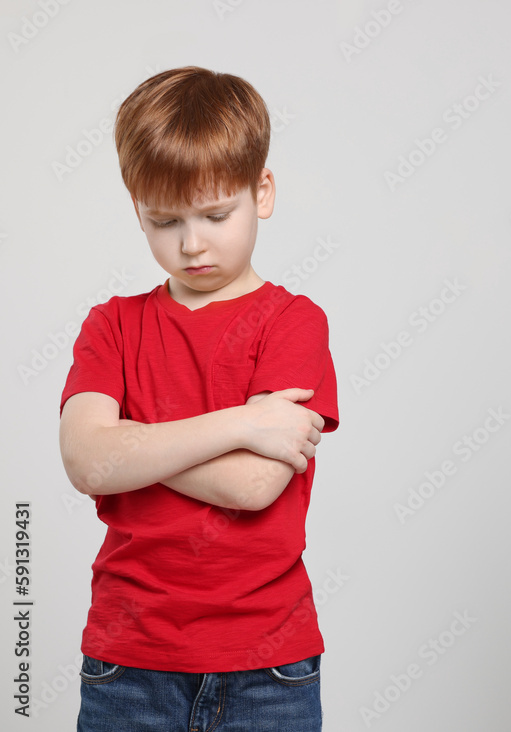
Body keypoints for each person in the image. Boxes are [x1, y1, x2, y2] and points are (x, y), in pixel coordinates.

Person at [59, 66, 338, 732]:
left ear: (261, 192)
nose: (191, 243)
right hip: (127, 664)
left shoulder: (294, 322)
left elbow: (251, 484)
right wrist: (245, 419)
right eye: (164, 221)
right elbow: (85, 464)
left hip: (267, 667)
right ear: (138, 211)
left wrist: (130, 443)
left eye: (216, 215)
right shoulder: (113, 324)